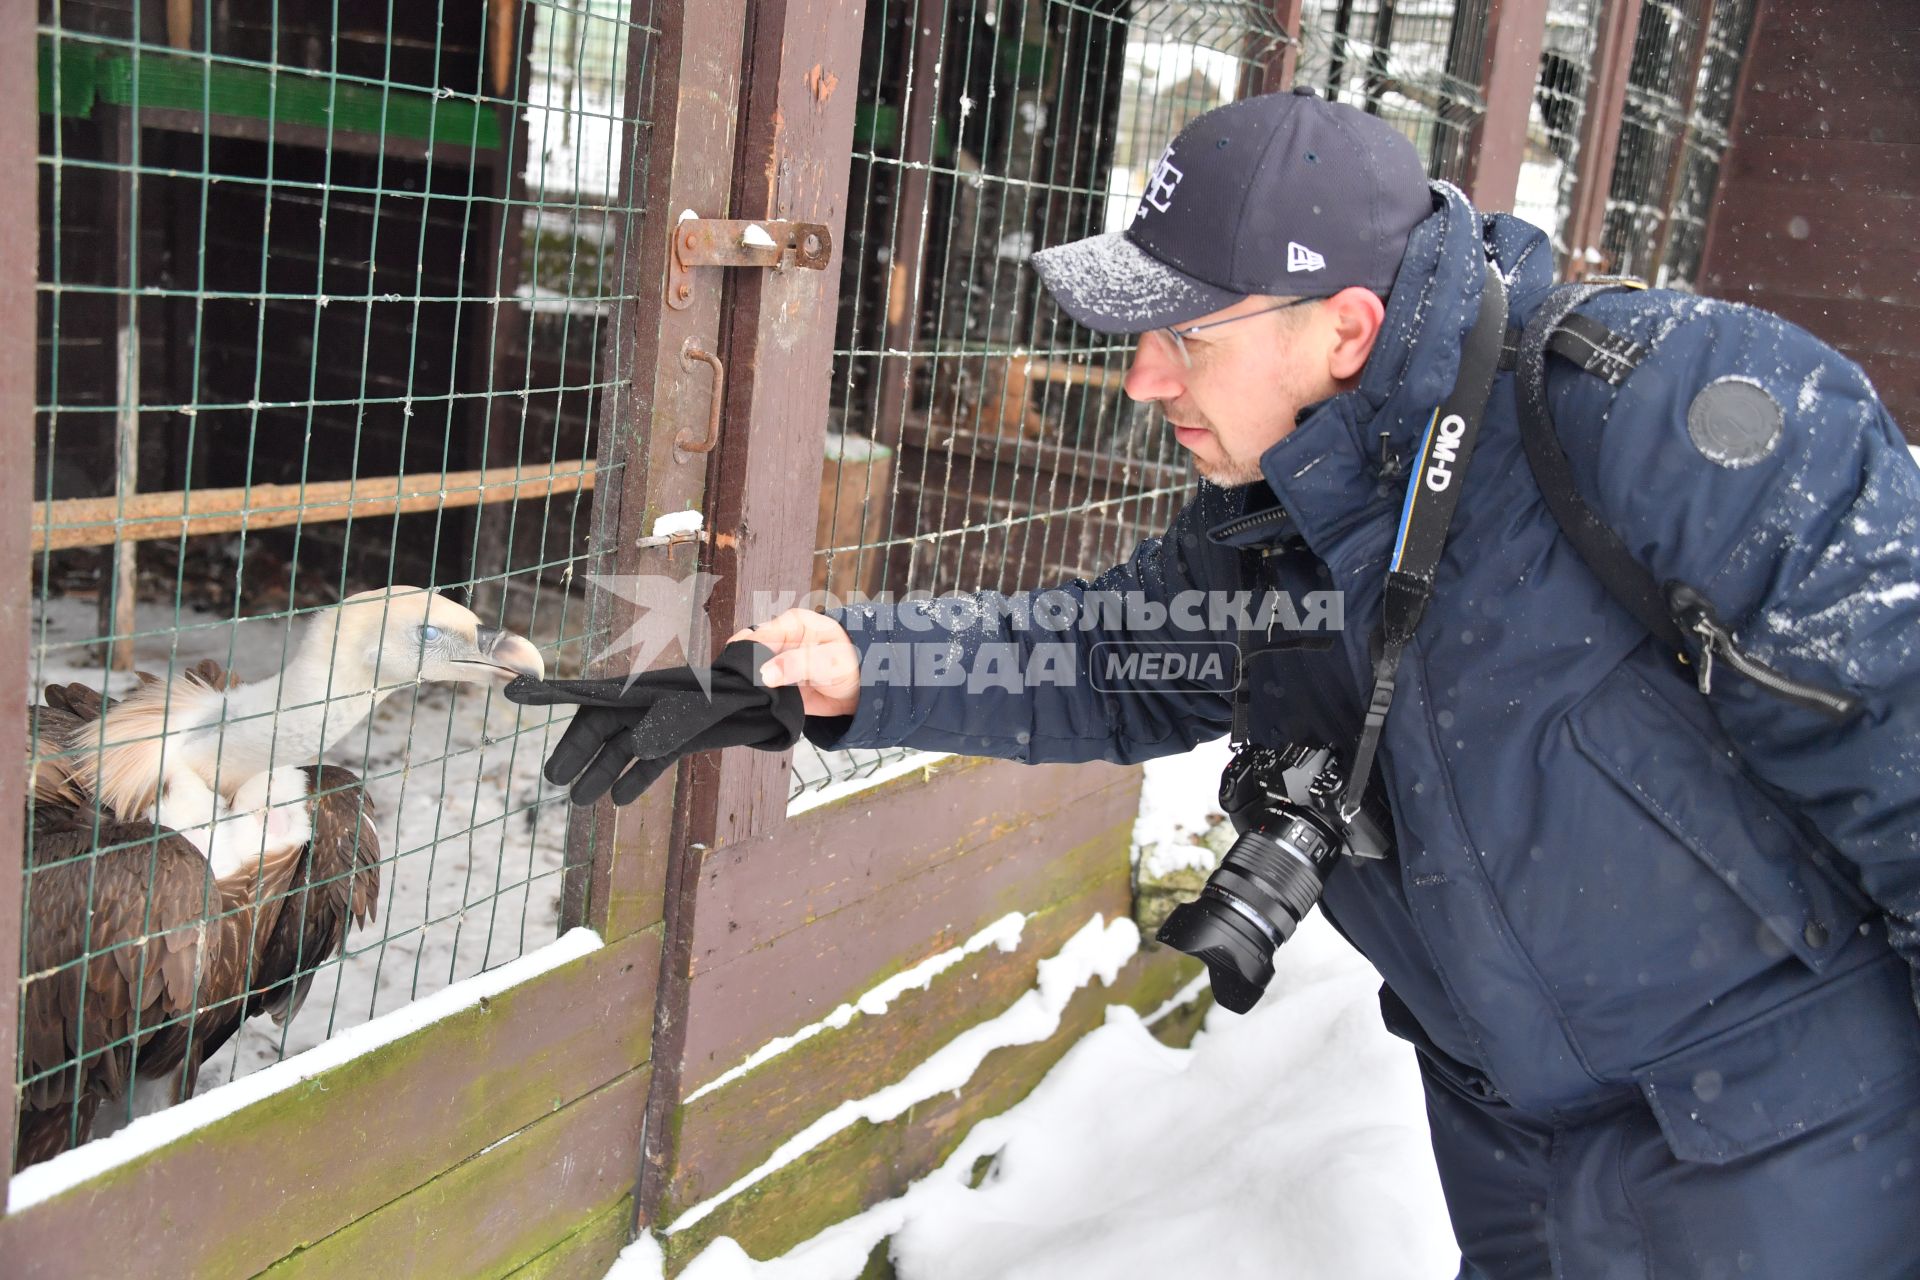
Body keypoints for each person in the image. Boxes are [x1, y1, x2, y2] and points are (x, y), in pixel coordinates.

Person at [513, 91, 1920, 1277]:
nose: (1138, 379)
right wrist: (841, 674)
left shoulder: (1679, 419)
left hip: (1799, 1152)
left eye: (1187, 336)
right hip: (1515, 1156)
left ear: (1347, 331)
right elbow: (1110, 657)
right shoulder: (1283, 502)